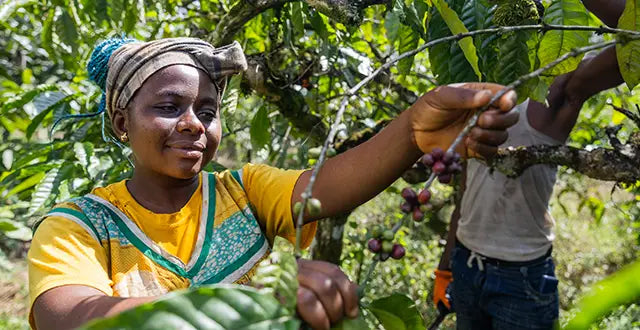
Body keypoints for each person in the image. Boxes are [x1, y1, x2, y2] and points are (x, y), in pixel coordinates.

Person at [27, 36, 519, 330]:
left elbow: (325, 186)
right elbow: (66, 317)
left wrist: (413, 129)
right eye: (168, 107)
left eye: (207, 111)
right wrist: (239, 306)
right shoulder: (80, 226)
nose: (195, 123)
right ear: (120, 122)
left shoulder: (242, 192)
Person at [433, 1, 627, 329]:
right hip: (466, 263)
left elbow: (635, 31)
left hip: (520, 279)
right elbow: (465, 197)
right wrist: (445, 269)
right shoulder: (476, 95)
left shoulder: (559, 90)